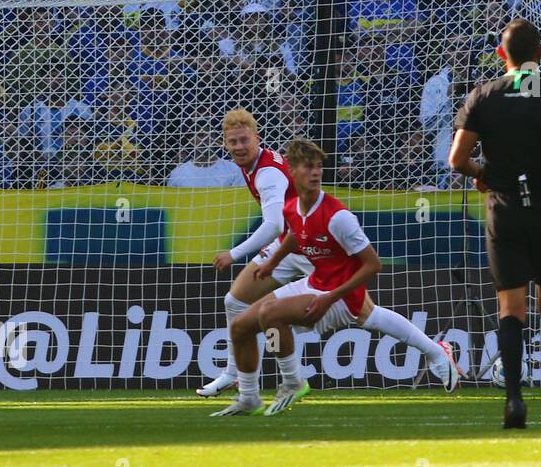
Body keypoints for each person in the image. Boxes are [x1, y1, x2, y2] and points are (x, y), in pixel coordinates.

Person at [214, 138, 460, 416]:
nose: (316, 173)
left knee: (271, 315)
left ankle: (293, 383)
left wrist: (330, 297)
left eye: (319, 167)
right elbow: (294, 235)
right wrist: (273, 262)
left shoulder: (338, 216)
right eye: (308, 167)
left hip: (340, 294)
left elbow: (373, 265)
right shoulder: (292, 208)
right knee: (241, 326)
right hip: (316, 282)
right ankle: (249, 398)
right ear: (292, 172)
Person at [448, 18, 541, 429]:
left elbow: (456, 160)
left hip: (504, 208)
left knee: (510, 306)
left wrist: (482, 173)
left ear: (500, 54)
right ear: (540, 55)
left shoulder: (483, 95)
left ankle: (513, 401)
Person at [197, 108, 313, 398]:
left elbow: (273, 224)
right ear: (224, 144)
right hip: (288, 245)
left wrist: (233, 254)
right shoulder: (251, 165)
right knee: (235, 301)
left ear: (256, 138)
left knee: (362, 313)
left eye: (244, 140)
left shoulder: (267, 173)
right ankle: (232, 375)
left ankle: (434, 352)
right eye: (232, 142)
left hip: (314, 247)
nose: (238, 147)